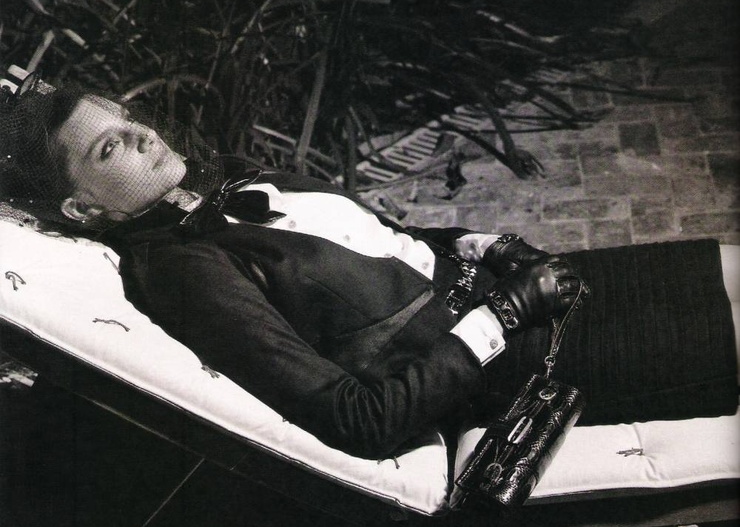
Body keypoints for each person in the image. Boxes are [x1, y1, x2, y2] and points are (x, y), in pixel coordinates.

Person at [2, 82, 737, 459]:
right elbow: (357, 419)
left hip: (506, 294)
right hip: (506, 366)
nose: (139, 134)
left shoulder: (222, 180)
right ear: (81, 208)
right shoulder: (184, 272)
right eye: (108, 149)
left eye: (123, 118)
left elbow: (384, 240)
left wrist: (479, 242)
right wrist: (504, 317)